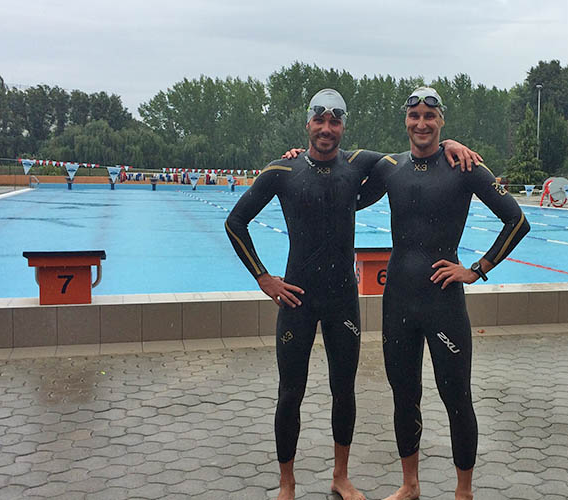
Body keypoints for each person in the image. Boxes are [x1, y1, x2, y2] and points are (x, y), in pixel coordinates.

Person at [225, 88, 480, 500]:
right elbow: (236, 222)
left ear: (343, 126)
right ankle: (286, 483)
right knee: (290, 392)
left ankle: (340, 477)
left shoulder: (360, 164)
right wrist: (263, 278)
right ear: (308, 123)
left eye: (335, 121)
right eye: (320, 121)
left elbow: (414, 155)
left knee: (344, 391)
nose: (327, 129)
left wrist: (448, 143)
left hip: (343, 299)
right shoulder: (281, 172)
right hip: (297, 301)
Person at [356, 87, 530, 500]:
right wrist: (298, 159)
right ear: (406, 121)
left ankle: (463, 492)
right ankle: (409, 485)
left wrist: (476, 270)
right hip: (397, 299)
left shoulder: (464, 168)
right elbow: (341, 182)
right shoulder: (390, 168)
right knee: (404, 396)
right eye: (414, 115)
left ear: (441, 121)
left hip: (443, 303)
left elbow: (517, 221)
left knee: (458, 398)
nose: (421, 123)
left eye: (429, 117)